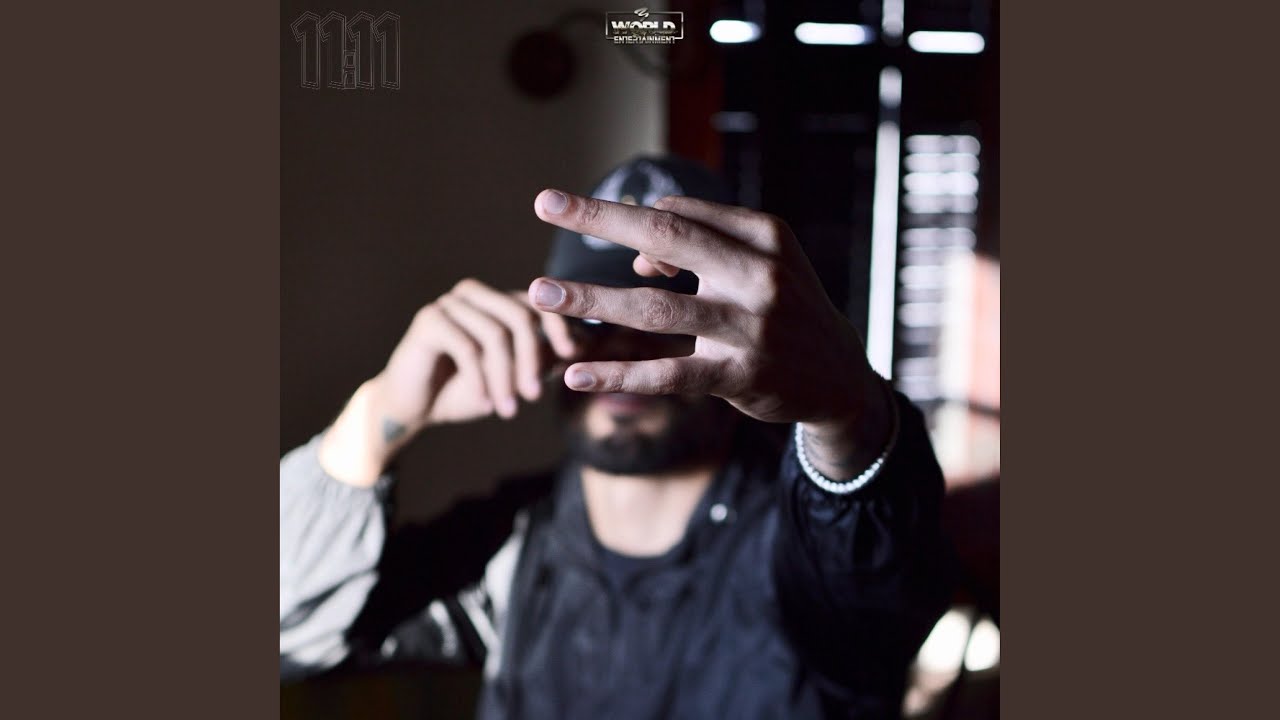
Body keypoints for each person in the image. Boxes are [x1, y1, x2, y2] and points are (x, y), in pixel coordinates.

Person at [280, 156, 950, 719]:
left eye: (665, 320)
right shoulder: (510, 547)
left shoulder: (796, 543)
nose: (626, 348)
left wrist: (845, 410)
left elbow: (872, 577)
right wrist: (376, 417)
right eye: (595, 319)